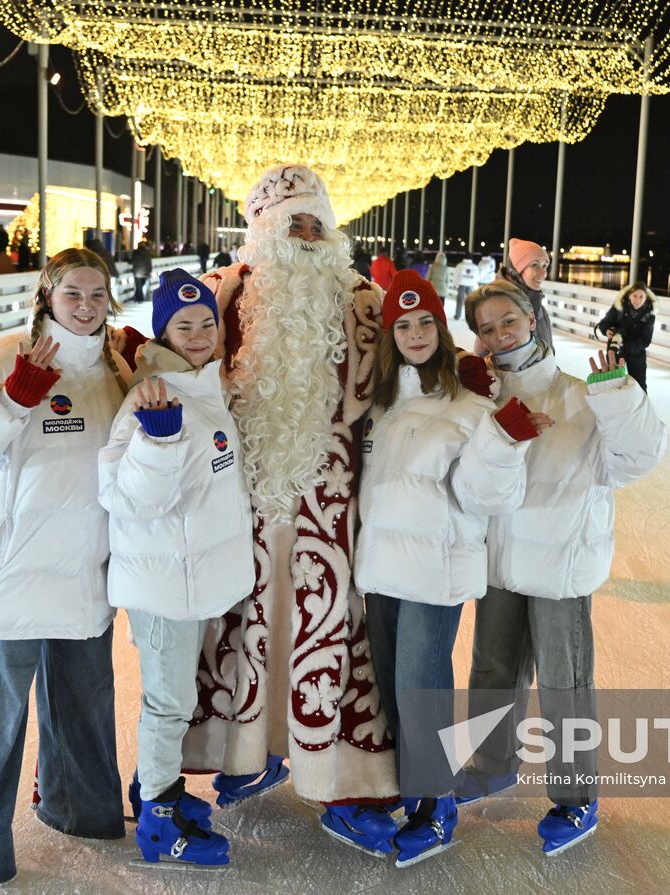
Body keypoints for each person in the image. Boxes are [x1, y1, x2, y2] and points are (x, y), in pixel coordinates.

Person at [193, 164, 399, 853]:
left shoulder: (368, 302)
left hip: (336, 502)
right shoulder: (224, 294)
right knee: (244, 619)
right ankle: (249, 753)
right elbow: (172, 361)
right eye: (292, 224)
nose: (307, 235)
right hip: (243, 496)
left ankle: (342, 780)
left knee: (329, 626)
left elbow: (418, 376)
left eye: (316, 222)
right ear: (264, 231)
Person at [0, 247, 131, 885]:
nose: (87, 305)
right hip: (6, 576)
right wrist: (12, 398)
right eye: (73, 293)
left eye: (97, 294)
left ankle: (81, 810)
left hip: (83, 575)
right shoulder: (0, 358)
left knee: (86, 711)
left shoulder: (118, 369)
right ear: (48, 296)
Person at [462, 279, 667, 856]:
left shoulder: (583, 393)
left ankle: (577, 797)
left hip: (561, 565)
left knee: (564, 685)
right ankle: (493, 763)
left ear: (530, 318)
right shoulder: (482, 395)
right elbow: (471, 483)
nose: (500, 334)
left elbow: (638, 458)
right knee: (492, 672)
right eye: (486, 328)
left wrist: (616, 393)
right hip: (500, 563)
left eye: (508, 321)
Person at [358, 270, 539, 866]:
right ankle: (408, 787)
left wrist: (503, 440)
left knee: (421, 688)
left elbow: (487, 497)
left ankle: (437, 808)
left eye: (424, 323)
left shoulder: (471, 402)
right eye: (402, 325)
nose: (414, 333)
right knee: (390, 684)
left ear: (441, 328)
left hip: (435, 571)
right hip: (382, 568)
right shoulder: (380, 405)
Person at [99, 269, 250, 867]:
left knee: (176, 699)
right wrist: (156, 441)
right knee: (167, 703)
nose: (197, 333)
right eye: (183, 325)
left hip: (189, 573)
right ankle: (158, 820)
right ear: (163, 329)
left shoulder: (205, 383)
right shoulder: (155, 394)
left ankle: (156, 789)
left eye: (206, 323)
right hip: (163, 580)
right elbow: (127, 498)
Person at [596, 283, 657, 391]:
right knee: (613, 384)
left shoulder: (650, 315)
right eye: (635, 296)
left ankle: (639, 407)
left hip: (636, 355)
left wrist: (627, 347)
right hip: (615, 352)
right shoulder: (619, 308)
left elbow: (646, 340)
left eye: (641, 296)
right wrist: (607, 330)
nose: (637, 300)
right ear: (629, 296)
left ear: (646, 298)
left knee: (639, 387)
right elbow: (604, 323)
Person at [497, 238, 554, 350]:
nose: (543, 273)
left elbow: (550, 351)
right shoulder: (499, 305)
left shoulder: (539, 307)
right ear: (516, 270)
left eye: (544, 266)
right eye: (534, 265)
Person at [451, 254, 478, 320]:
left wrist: (455, 284)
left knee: (460, 300)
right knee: (470, 302)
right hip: (470, 285)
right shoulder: (474, 267)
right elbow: (477, 277)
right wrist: (474, 284)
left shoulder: (460, 265)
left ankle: (457, 315)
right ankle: (470, 317)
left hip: (461, 284)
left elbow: (455, 275)